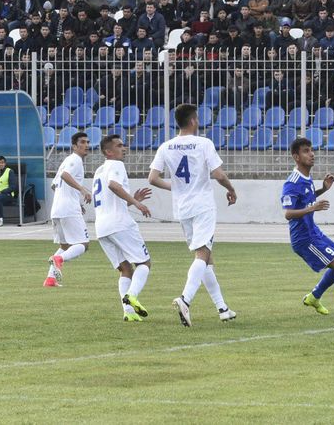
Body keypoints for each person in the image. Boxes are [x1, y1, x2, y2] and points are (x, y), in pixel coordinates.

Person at [148, 104, 238, 327]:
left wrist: (176, 188)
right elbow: (218, 174)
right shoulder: (203, 143)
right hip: (202, 205)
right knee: (202, 254)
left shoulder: (166, 146)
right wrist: (231, 189)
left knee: (206, 257)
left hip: (183, 208)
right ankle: (185, 299)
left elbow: (152, 178)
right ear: (193, 121)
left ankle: (222, 308)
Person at [280, 137, 334, 323]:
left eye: (311, 150)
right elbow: (288, 213)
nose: (311, 154)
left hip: (313, 232)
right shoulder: (292, 182)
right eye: (306, 151)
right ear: (296, 157)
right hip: (304, 239)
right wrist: (313, 208)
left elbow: (306, 198)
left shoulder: (306, 178)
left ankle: (314, 297)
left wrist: (323, 189)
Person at [93, 134, 153, 322]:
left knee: (125, 269)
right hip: (120, 224)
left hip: (102, 227)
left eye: (123, 145)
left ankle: (128, 312)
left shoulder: (99, 171)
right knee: (144, 263)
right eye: (119, 146)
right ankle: (132, 296)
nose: (124, 148)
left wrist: (132, 200)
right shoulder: (116, 165)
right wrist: (136, 203)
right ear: (108, 152)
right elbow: (114, 185)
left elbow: (110, 201)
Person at [44, 133, 92, 287]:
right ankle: (59, 259)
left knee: (65, 246)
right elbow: (65, 175)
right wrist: (82, 190)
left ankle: (50, 279)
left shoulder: (66, 161)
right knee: (83, 244)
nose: (86, 145)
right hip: (68, 209)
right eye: (82, 142)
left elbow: (54, 185)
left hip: (57, 209)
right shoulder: (75, 160)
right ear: (74, 146)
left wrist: (74, 200)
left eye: (88, 142)